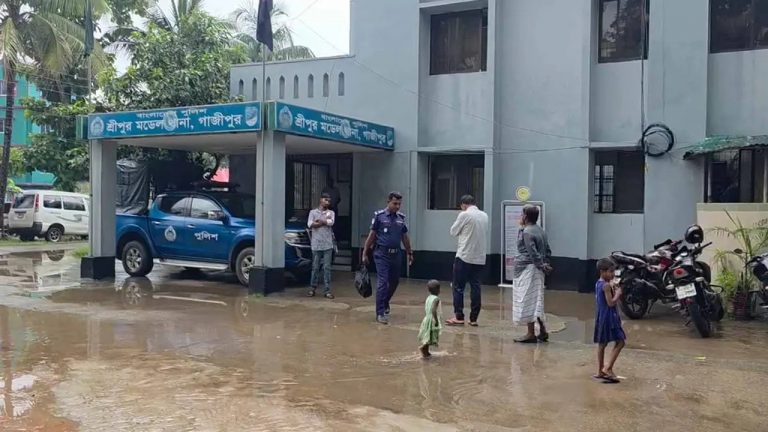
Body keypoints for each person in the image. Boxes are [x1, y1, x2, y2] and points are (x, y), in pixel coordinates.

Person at [362, 191, 414, 324]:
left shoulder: (401, 218)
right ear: (388, 202)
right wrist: (365, 252)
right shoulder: (379, 217)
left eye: (399, 204)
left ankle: (385, 301)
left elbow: (405, 237)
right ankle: (380, 313)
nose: (397, 206)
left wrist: (409, 252)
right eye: (395, 203)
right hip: (382, 254)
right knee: (383, 282)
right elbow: (372, 236)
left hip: (396, 254)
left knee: (395, 281)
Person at [446, 195, 489, 327]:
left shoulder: (464, 215)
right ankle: (474, 318)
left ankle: (459, 316)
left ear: (463, 205)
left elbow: (453, 231)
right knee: (476, 286)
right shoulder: (484, 216)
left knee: (458, 287)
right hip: (480, 257)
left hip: (464, 256)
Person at [512, 205, 552, 343]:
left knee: (528, 301)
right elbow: (547, 250)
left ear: (525, 216)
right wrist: (545, 264)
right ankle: (542, 330)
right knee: (536, 300)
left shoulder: (527, 232)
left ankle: (530, 333)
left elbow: (532, 252)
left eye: (521, 214)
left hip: (528, 269)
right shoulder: (540, 230)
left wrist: (540, 264)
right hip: (537, 270)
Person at [593, 258, 626, 384]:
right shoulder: (606, 285)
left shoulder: (599, 283)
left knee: (602, 344)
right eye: (610, 272)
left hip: (601, 316)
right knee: (620, 342)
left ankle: (600, 371)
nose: (612, 275)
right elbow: (611, 303)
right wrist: (618, 293)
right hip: (610, 317)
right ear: (602, 271)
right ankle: (607, 368)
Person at [307, 193, 335, 299]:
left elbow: (331, 222)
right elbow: (310, 224)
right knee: (315, 267)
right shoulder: (313, 212)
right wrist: (323, 222)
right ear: (321, 200)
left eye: (329, 201)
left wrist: (319, 221)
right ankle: (312, 288)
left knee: (327, 268)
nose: (327, 202)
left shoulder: (331, 212)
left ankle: (327, 290)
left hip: (328, 244)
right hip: (316, 244)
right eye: (325, 200)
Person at [418, 280, 443, 358]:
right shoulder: (436, 299)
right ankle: (423, 348)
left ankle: (426, 351)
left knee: (428, 334)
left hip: (426, 318)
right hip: (432, 319)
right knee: (431, 335)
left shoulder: (428, 298)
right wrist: (436, 320)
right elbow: (433, 310)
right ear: (437, 290)